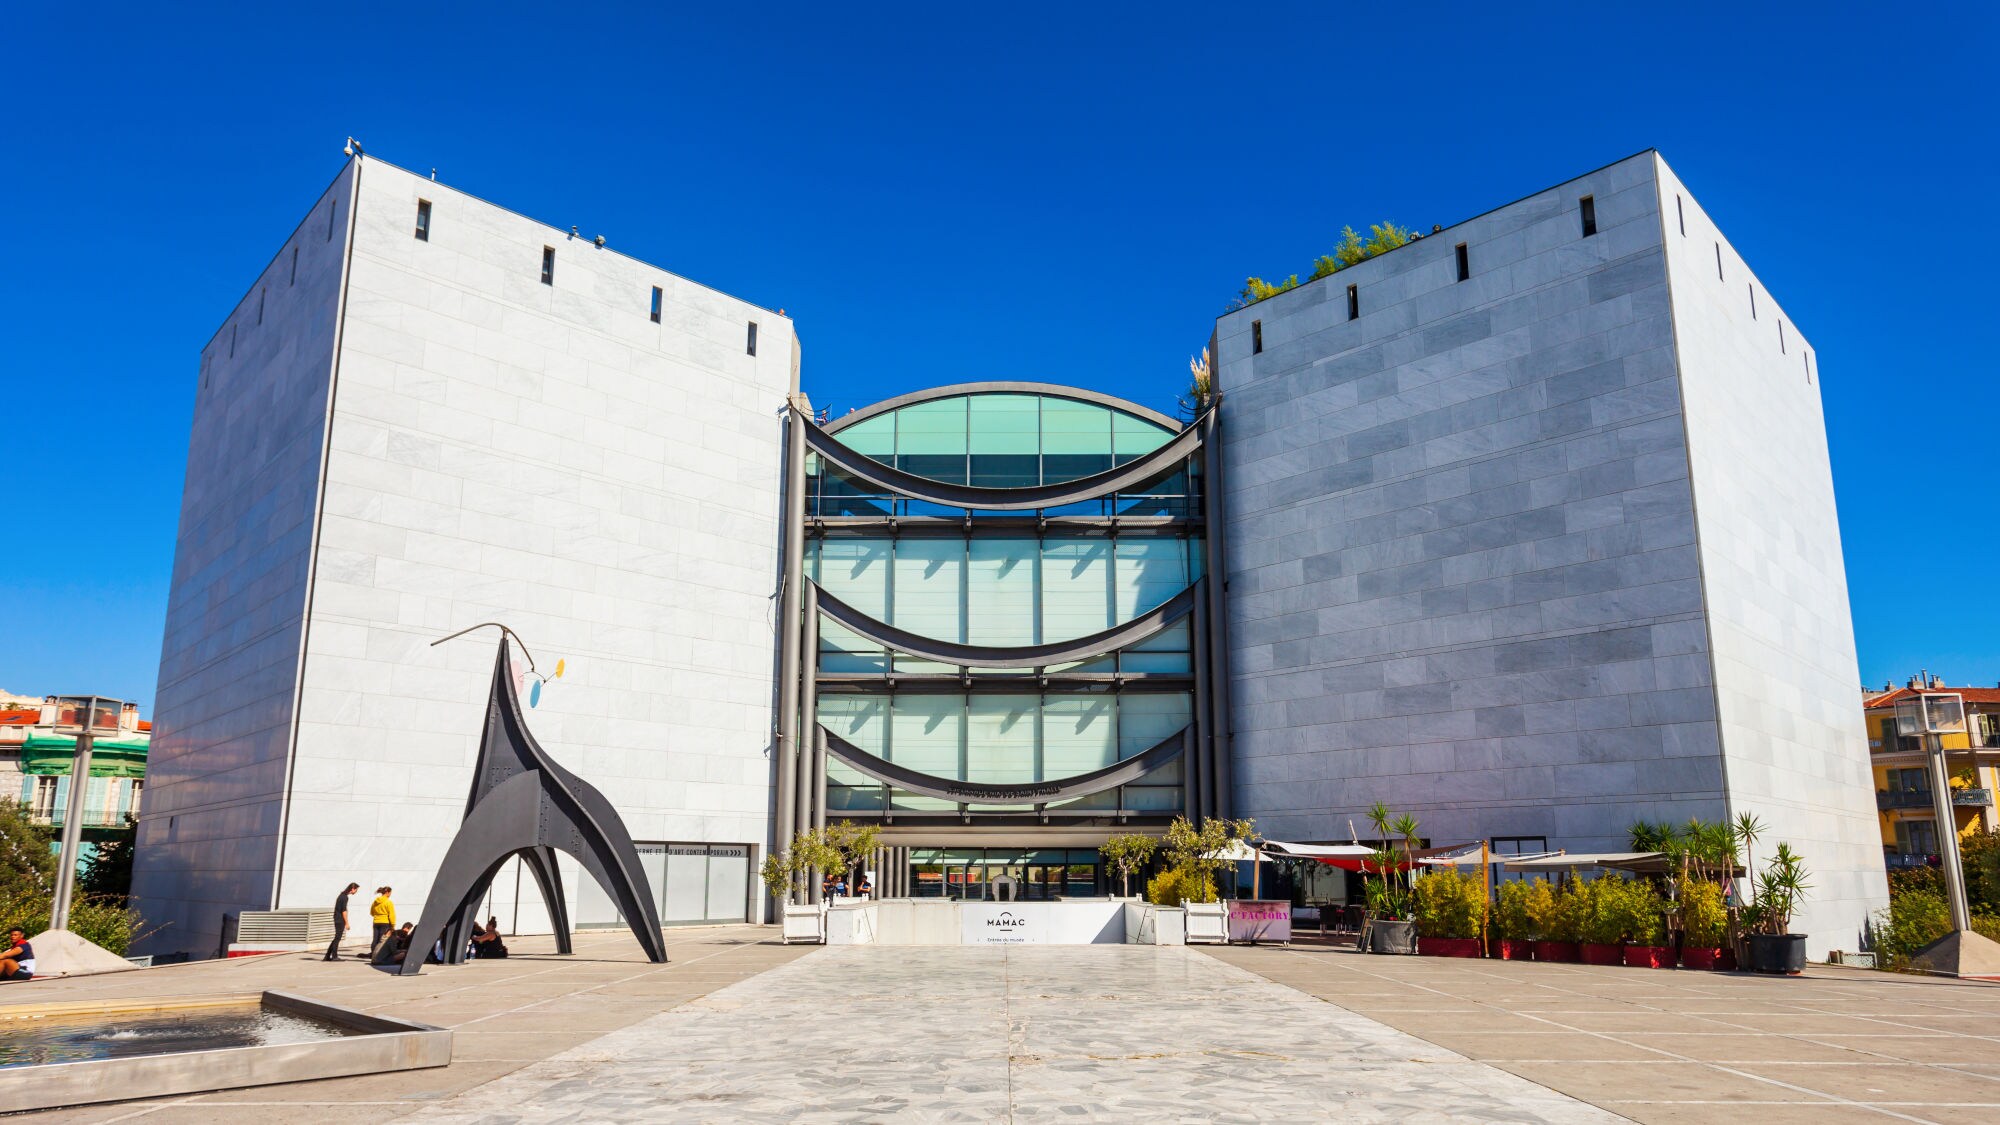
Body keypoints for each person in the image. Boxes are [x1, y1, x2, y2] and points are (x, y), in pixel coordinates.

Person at [325, 882, 359, 961]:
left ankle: (327, 956)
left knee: (336, 938)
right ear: (352, 889)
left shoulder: (341, 895)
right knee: (337, 938)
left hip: (337, 918)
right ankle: (334, 956)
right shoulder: (345, 897)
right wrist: (347, 923)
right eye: (356, 890)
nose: (356, 891)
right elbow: (344, 911)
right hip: (340, 920)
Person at [369, 887, 396, 952]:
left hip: (376, 922)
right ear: (387, 892)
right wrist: (393, 925)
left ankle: (373, 953)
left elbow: (372, 912)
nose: (390, 894)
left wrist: (378, 915)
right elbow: (392, 915)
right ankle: (379, 953)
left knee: (375, 939)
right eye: (390, 893)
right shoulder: (388, 902)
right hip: (385, 922)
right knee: (382, 939)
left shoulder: (375, 902)